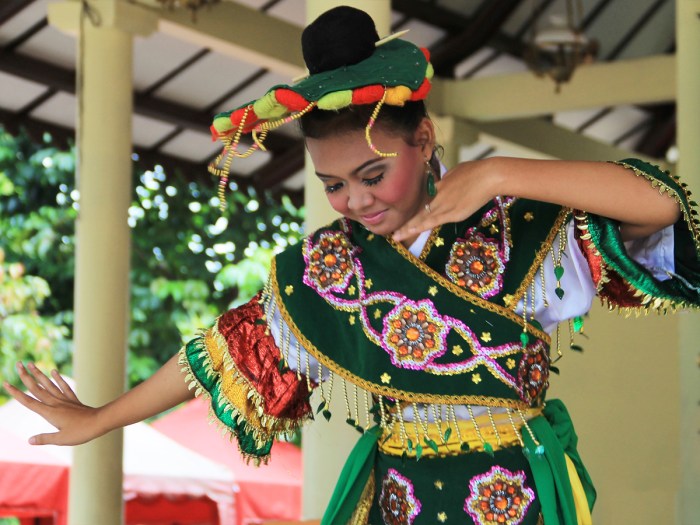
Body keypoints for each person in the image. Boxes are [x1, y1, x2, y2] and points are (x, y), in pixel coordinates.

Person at [5, 6, 699, 525]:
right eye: (334, 184)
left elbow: (658, 207)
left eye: (373, 172)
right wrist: (99, 417)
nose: (355, 200)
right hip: (398, 496)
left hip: (510, 493)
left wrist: (495, 172)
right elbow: (221, 352)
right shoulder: (329, 267)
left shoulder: (514, 223)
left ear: (424, 138)